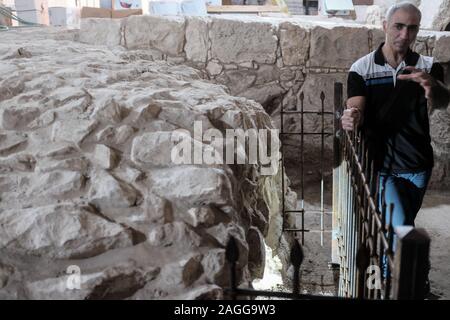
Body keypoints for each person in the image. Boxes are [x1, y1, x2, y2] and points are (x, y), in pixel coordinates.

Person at [341, 1, 450, 296]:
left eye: (412, 27)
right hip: (383, 165)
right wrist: (351, 118)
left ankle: (402, 279)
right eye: (399, 26)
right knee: (400, 228)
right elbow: (356, 109)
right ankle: (404, 282)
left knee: (401, 224)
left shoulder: (427, 66)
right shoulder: (361, 68)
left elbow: (440, 101)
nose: (405, 33)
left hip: (418, 165)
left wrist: (432, 86)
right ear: (385, 26)